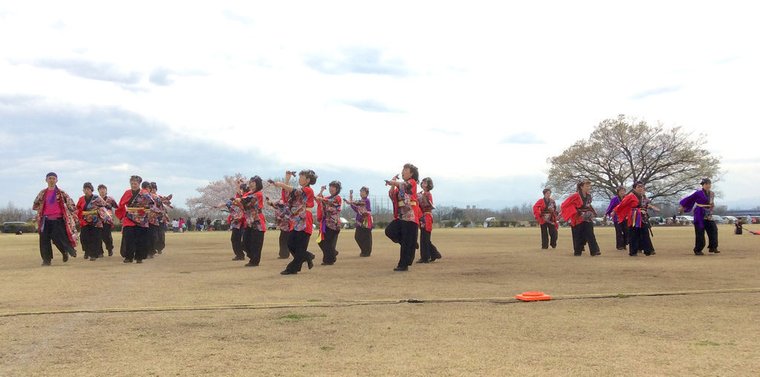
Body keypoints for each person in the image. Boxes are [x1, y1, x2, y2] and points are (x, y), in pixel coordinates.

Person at [271, 170, 317, 275]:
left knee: (300, 245)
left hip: (305, 219)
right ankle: (307, 256)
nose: (299, 179)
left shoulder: (308, 190)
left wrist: (282, 183)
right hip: (296, 220)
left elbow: (295, 191)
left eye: (302, 177)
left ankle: (292, 268)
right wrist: (287, 178)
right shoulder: (300, 190)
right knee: (290, 243)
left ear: (308, 180)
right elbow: (286, 196)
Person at [32, 172, 78, 266]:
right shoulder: (42, 193)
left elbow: (71, 204)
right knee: (44, 239)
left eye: (53, 178)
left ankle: (65, 251)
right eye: (50, 178)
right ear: (46, 180)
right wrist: (39, 212)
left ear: (57, 180)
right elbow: (36, 204)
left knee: (58, 238)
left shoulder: (61, 193)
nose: (51, 180)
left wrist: (73, 214)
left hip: (58, 219)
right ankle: (46, 260)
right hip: (45, 219)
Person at [385, 163, 422, 271]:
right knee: (390, 231)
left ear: (411, 173)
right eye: (403, 170)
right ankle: (411, 243)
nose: (403, 171)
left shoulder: (412, 182)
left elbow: (405, 186)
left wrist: (393, 182)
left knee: (406, 241)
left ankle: (403, 265)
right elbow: (392, 194)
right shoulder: (400, 185)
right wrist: (392, 184)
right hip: (401, 215)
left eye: (406, 170)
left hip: (410, 215)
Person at [115, 176, 155, 264]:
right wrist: (121, 216)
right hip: (129, 218)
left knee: (141, 239)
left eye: (135, 184)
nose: (133, 185)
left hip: (141, 218)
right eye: (132, 183)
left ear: (139, 184)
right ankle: (129, 257)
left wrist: (147, 211)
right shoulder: (127, 193)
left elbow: (151, 204)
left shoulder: (144, 193)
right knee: (128, 237)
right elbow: (121, 205)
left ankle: (139, 257)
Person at [615, 181, 660, 256]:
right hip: (633, 218)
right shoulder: (630, 196)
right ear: (634, 188)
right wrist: (615, 211)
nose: (640, 188)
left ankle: (648, 250)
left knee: (645, 233)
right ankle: (633, 252)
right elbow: (622, 204)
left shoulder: (643, 196)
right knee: (633, 235)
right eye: (638, 187)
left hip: (642, 218)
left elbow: (646, 204)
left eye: (641, 187)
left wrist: (652, 207)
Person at [560, 179, 601, 256]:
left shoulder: (589, 196)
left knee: (590, 233)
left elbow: (588, 205)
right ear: (581, 187)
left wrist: (593, 212)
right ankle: (578, 251)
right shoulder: (575, 195)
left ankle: (594, 251)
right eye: (587, 186)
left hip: (587, 217)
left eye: (589, 186)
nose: (588, 187)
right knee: (578, 235)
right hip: (577, 218)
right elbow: (565, 204)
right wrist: (574, 211)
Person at [679, 178, 719, 255]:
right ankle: (698, 249)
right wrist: (683, 207)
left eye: (709, 184)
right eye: (706, 184)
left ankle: (713, 247)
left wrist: (712, 205)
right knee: (700, 232)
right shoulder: (698, 193)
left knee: (713, 229)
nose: (708, 185)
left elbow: (711, 203)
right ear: (702, 185)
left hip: (708, 214)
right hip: (699, 213)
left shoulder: (712, 193)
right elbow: (689, 199)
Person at [76, 182, 107, 261]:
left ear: (91, 190)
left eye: (88, 189)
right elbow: (77, 209)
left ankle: (93, 254)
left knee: (95, 238)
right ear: (83, 190)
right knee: (84, 238)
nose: (86, 191)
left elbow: (104, 206)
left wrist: (98, 212)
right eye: (85, 189)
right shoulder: (81, 199)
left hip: (95, 221)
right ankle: (87, 251)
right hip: (85, 221)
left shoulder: (97, 198)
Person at [266, 173, 294, 259]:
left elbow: (285, 209)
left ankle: (285, 254)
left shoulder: (289, 201)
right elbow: (276, 205)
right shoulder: (282, 201)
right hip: (283, 224)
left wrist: (287, 179)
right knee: (283, 239)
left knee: (284, 239)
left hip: (287, 223)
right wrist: (270, 202)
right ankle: (284, 254)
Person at [316, 180, 343, 265]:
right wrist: (321, 191)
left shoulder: (337, 198)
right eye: (330, 186)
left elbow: (331, 202)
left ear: (337, 189)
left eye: (333, 187)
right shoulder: (327, 198)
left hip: (334, 224)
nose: (331, 188)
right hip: (326, 223)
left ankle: (329, 260)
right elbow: (318, 199)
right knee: (321, 241)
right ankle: (332, 254)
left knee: (328, 242)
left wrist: (321, 199)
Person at [241, 176, 266, 267]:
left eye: (253, 182)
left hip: (257, 220)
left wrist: (240, 199)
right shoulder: (248, 193)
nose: (251, 183)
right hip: (249, 220)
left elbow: (247, 201)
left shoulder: (258, 194)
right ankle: (253, 257)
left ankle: (255, 261)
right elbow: (242, 202)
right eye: (250, 182)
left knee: (256, 242)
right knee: (245, 242)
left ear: (258, 184)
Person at [417, 177, 442, 263]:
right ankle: (433, 254)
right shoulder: (422, 193)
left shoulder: (428, 194)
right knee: (424, 238)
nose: (423, 184)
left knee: (425, 238)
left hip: (427, 217)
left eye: (425, 183)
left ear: (429, 185)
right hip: (422, 217)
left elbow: (428, 205)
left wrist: (423, 198)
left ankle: (426, 256)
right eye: (423, 182)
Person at [347, 187, 373, 257]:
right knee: (357, 237)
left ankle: (367, 252)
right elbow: (355, 207)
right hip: (359, 222)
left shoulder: (366, 200)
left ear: (366, 193)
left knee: (366, 237)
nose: (361, 193)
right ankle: (364, 250)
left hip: (366, 221)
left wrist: (351, 201)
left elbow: (360, 204)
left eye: (363, 191)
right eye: (361, 191)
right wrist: (351, 199)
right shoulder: (360, 201)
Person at [225, 183, 248, 261]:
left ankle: (246, 252)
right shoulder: (238, 197)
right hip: (237, 222)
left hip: (245, 222)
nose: (240, 191)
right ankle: (239, 254)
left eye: (242, 189)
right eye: (240, 189)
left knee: (245, 241)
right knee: (234, 239)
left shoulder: (248, 197)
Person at [97, 184, 118, 257]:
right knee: (98, 236)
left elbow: (116, 207)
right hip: (98, 220)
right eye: (100, 189)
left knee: (106, 236)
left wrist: (110, 207)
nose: (102, 191)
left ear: (106, 191)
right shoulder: (96, 199)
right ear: (98, 191)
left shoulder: (110, 199)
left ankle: (109, 248)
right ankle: (100, 252)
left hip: (107, 220)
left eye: (103, 189)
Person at [605, 186, 628, 251]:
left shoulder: (627, 198)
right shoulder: (614, 199)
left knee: (626, 231)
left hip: (625, 217)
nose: (622, 192)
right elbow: (610, 207)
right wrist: (607, 214)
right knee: (619, 231)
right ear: (618, 192)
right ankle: (619, 246)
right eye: (621, 191)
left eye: (623, 191)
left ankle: (624, 244)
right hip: (617, 217)